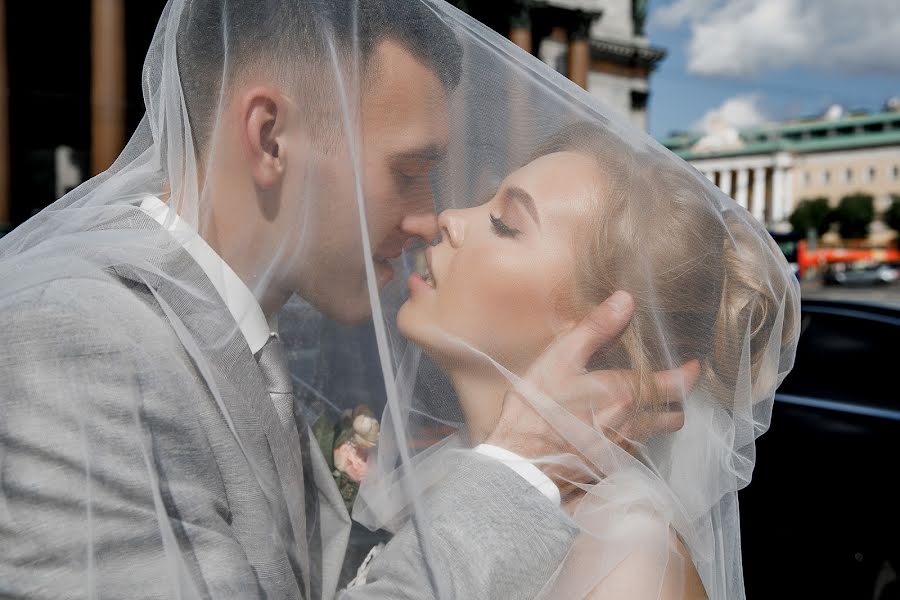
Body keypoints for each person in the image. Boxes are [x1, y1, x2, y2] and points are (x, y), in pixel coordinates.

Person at [0, 1, 693, 599]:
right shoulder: (74, 346)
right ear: (271, 138)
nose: (431, 217)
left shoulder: (238, 346)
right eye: (410, 171)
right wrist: (517, 471)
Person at [375, 123, 800, 599]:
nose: (451, 215)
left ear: (602, 329)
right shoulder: (453, 476)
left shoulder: (630, 566)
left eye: (506, 224)